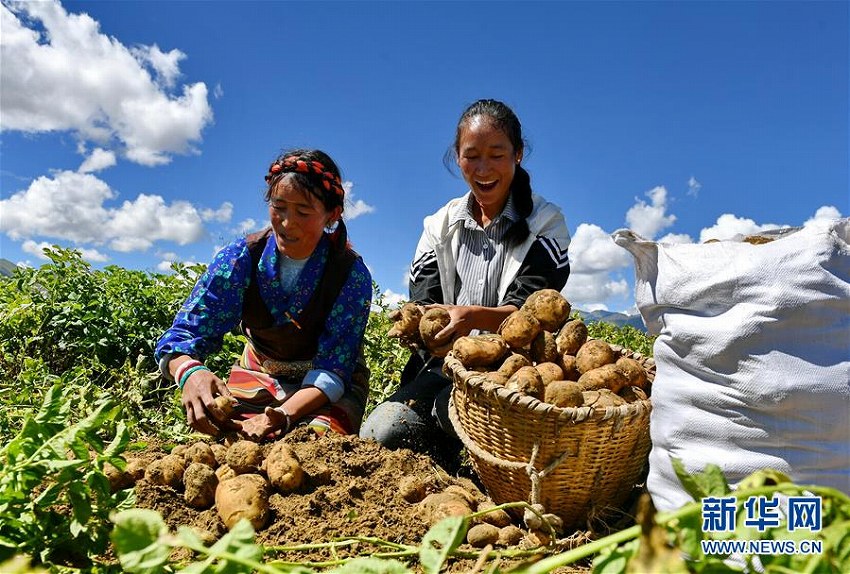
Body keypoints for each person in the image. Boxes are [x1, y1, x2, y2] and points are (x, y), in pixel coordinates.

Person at [359, 99, 572, 467]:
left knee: (500, 444)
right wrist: (424, 328)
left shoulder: (545, 223)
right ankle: (447, 455)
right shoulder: (439, 226)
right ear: (457, 157)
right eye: (472, 156)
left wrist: (472, 317)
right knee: (382, 431)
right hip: (444, 371)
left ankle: (466, 456)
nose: (484, 168)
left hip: (516, 377)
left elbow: (532, 312)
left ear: (518, 155)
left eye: (497, 154)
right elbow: (425, 302)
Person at [155, 148, 372, 440]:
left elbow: (334, 367)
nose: (287, 222)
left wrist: (283, 416)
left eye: (303, 212)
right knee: (230, 440)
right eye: (279, 206)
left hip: (327, 388)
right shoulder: (240, 259)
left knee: (317, 449)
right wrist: (189, 373)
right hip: (260, 375)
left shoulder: (350, 276)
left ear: (332, 214)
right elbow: (183, 336)